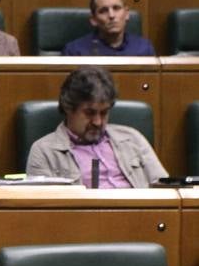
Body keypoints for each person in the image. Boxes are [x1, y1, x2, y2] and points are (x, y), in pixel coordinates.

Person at [26, 65, 166, 188]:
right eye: (89, 113)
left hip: (140, 215)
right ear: (68, 108)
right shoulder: (44, 151)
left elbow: (165, 189)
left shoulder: (132, 138)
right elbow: (45, 212)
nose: (98, 122)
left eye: (104, 113)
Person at [61, 0, 155, 56]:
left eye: (116, 8)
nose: (111, 15)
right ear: (93, 19)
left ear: (126, 14)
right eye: (103, 11)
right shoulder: (75, 51)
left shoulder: (144, 48)